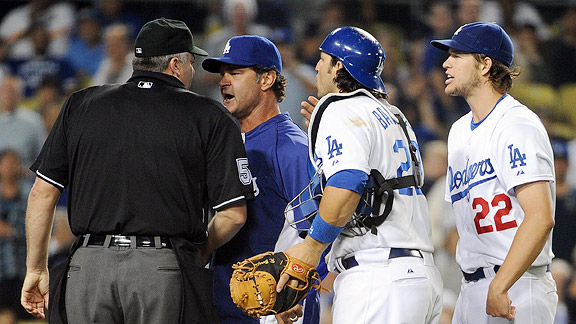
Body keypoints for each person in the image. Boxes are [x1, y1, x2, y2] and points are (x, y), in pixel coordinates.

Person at [20, 17, 254, 324]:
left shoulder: (81, 104)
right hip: (160, 268)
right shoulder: (208, 115)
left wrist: (36, 269)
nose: (192, 70)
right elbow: (233, 214)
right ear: (175, 64)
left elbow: (42, 193)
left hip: (88, 267)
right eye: (191, 62)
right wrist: (198, 253)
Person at [279, 26, 443, 323]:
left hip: (378, 277)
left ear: (338, 66)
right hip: (421, 277)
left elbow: (348, 181)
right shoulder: (392, 113)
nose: (316, 66)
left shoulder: (340, 112)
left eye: (323, 59)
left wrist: (311, 249)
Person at [430, 22, 558, 322]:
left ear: (485, 64)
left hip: (517, 284)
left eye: (457, 55)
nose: (446, 63)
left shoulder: (516, 125)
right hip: (472, 286)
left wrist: (501, 285)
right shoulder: (458, 132)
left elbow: (541, 216)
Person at [202, 35, 323, 324]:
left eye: (236, 72)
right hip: (227, 303)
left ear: (267, 79)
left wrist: (293, 293)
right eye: (222, 74)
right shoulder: (230, 143)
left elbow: (319, 234)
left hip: (274, 308)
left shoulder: (291, 148)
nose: (224, 81)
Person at [0, 149, 33, 321]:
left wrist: (10, 231)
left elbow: (36, 232)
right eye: (6, 163)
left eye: (14, 163)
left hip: (21, 269)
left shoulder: (30, 198)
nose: (10, 168)